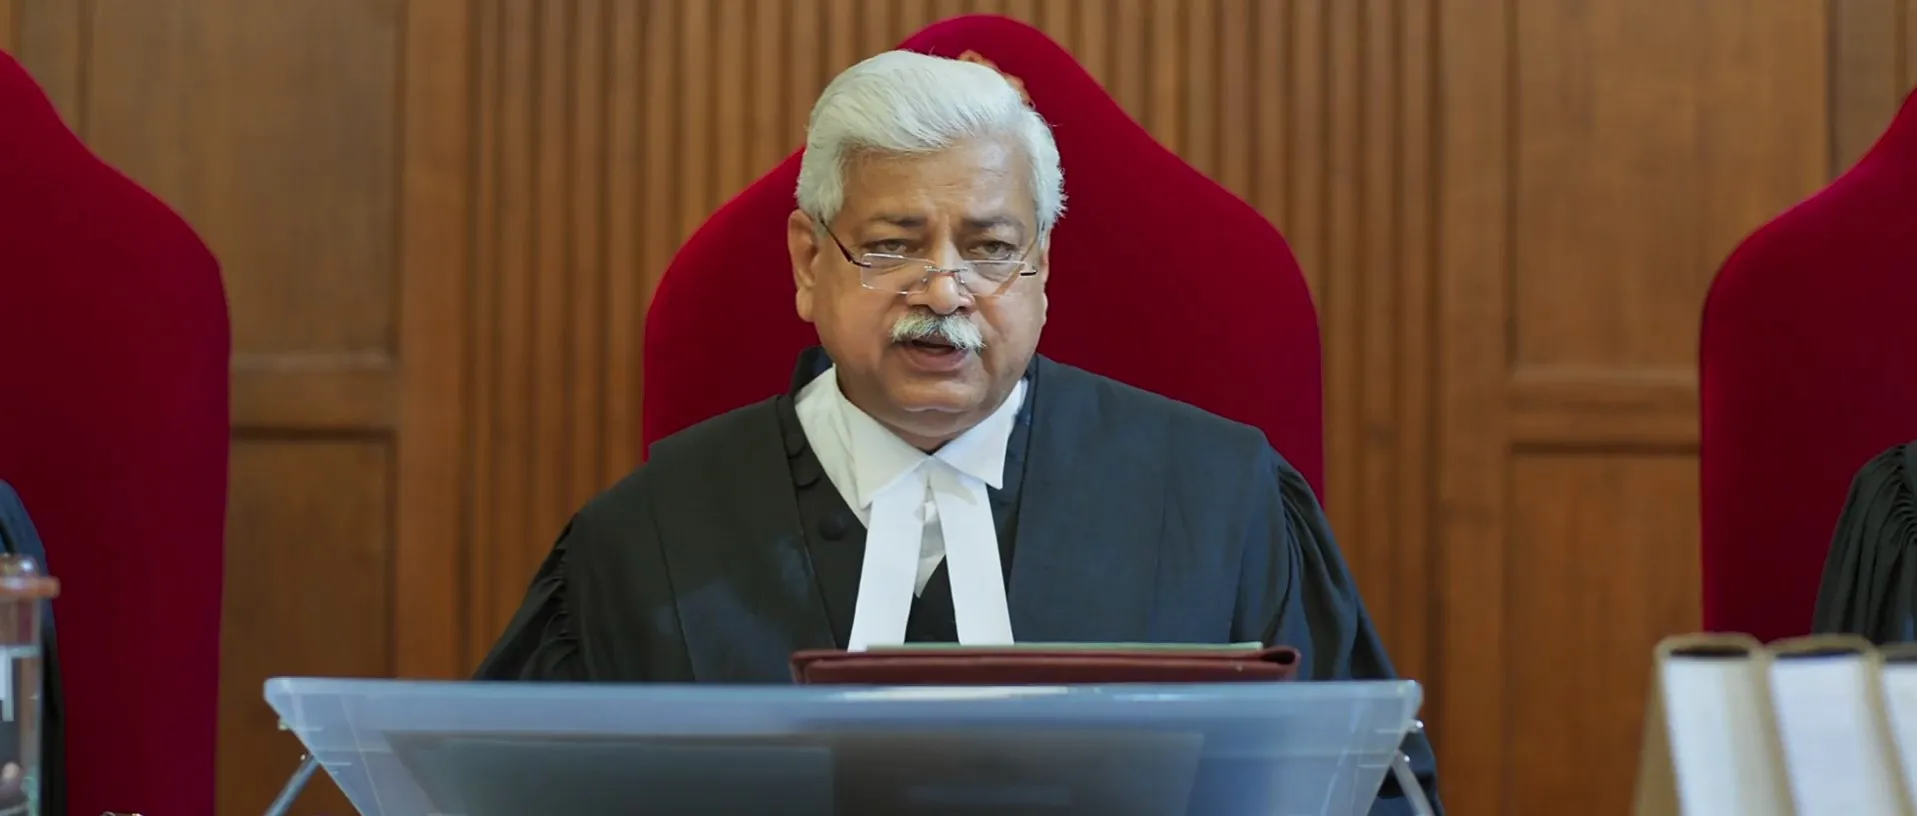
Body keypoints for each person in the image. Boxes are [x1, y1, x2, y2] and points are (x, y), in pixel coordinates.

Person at [478, 50, 1441, 813]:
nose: (945, 292)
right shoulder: (643, 536)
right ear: (809, 262)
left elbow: (1365, 795)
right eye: (891, 246)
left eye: (990, 249)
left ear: (1042, 266)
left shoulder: (1222, 503)